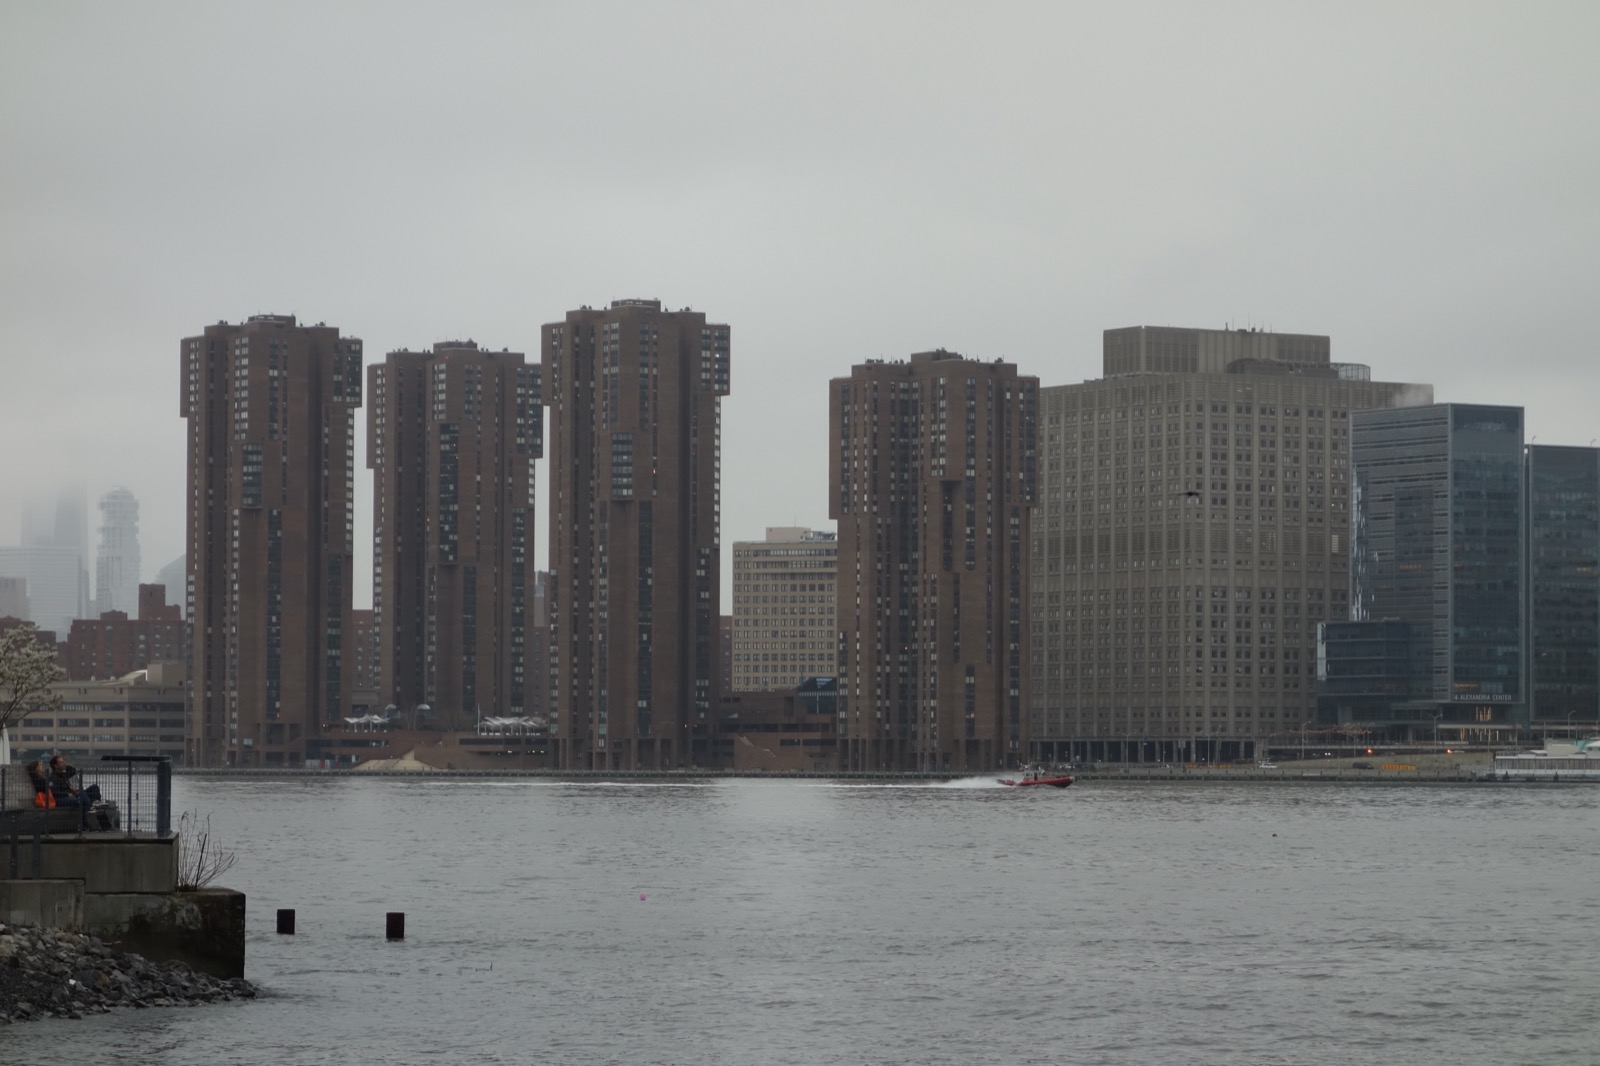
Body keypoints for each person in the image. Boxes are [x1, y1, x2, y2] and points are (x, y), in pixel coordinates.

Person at [48, 754, 102, 828]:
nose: (64, 764)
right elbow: (55, 793)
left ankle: (96, 802)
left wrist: (73, 790)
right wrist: (68, 794)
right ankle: (90, 808)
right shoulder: (52, 778)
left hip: (72, 794)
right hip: (62, 798)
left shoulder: (64, 774)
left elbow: (73, 772)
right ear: (55, 766)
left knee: (94, 788)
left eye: (64, 762)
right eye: (61, 763)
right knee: (82, 796)